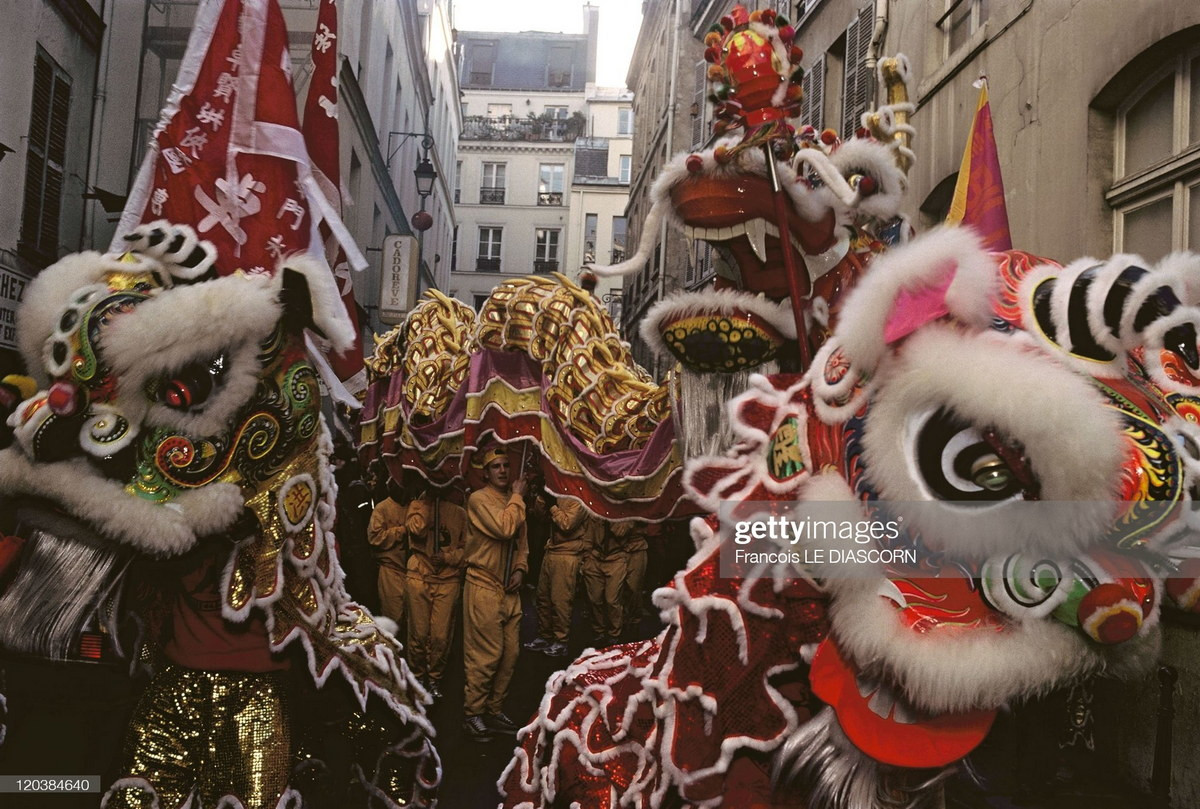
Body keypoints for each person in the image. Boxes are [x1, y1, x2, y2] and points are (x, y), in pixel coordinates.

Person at [461, 446, 529, 741]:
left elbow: (522, 544)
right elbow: (505, 528)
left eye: (506, 465)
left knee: (510, 654)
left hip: (509, 589)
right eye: (496, 467)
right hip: (484, 585)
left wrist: (520, 570)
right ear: (485, 473)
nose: (503, 471)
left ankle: (494, 708)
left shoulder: (515, 502)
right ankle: (472, 712)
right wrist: (518, 496)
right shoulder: (478, 499)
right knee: (486, 655)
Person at [404, 485, 467, 700]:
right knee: (419, 634)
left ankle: (435, 677)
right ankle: (418, 675)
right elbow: (417, 529)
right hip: (419, 577)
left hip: (447, 580)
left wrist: (448, 558)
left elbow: (467, 549)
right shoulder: (417, 506)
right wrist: (428, 502)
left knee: (441, 635)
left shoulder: (459, 513)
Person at [524, 497, 595, 657]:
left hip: (568, 554)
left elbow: (567, 524)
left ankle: (561, 641)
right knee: (543, 598)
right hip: (551, 550)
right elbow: (539, 517)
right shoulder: (557, 495)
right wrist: (542, 499)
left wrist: (553, 506)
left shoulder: (578, 500)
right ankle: (545, 635)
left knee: (560, 600)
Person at [369, 477, 409, 634]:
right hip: (390, 570)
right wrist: (400, 531)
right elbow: (375, 537)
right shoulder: (382, 508)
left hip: (412, 572)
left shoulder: (414, 506)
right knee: (393, 617)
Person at [582, 518, 628, 648]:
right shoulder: (595, 510)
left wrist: (609, 515)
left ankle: (614, 633)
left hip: (616, 558)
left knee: (612, 600)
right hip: (595, 557)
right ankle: (599, 630)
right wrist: (586, 558)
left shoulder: (625, 512)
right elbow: (588, 535)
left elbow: (620, 532)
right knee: (594, 599)